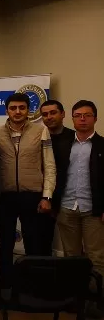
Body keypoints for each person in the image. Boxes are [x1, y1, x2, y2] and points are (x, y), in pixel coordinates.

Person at [0, 93, 57, 287]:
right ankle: (5, 285)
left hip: (32, 196)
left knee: (33, 242)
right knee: (5, 243)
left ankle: (31, 285)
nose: (17, 111)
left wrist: (47, 196)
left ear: (28, 110)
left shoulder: (41, 130)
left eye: (22, 107)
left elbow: (49, 166)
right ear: (7, 111)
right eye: (13, 108)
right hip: (6, 196)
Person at [54, 100, 104, 283]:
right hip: (66, 208)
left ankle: (96, 294)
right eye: (78, 115)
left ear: (95, 118)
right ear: (72, 119)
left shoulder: (102, 145)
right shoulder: (63, 145)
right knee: (71, 257)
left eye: (87, 115)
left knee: (96, 257)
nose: (82, 119)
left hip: (93, 210)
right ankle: (75, 293)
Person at [40, 99, 73, 253]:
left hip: (69, 199)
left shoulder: (74, 138)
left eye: (53, 113)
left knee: (72, 246)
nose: (49, 117)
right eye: (45, 114)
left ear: (63, 114)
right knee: (43, 244)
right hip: (44, 199)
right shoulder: (38, 138)